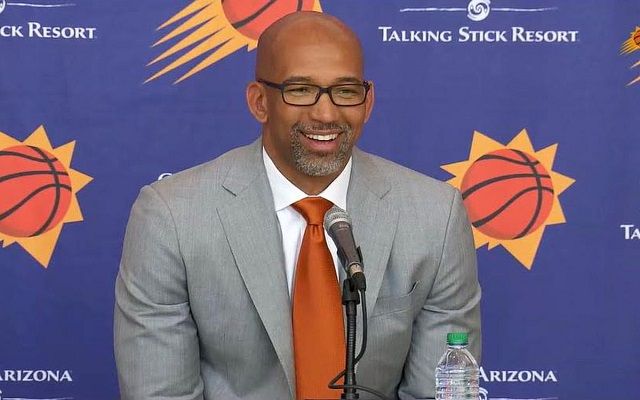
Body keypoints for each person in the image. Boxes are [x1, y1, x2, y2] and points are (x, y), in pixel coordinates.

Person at [114, 11, 481, 400]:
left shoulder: (435, 216)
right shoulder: (171, 216)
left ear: (368, 102)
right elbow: (160, 392)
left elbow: (442, 391)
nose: (326, 114)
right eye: (301, 90)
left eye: (345, 91)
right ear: (259, 102)